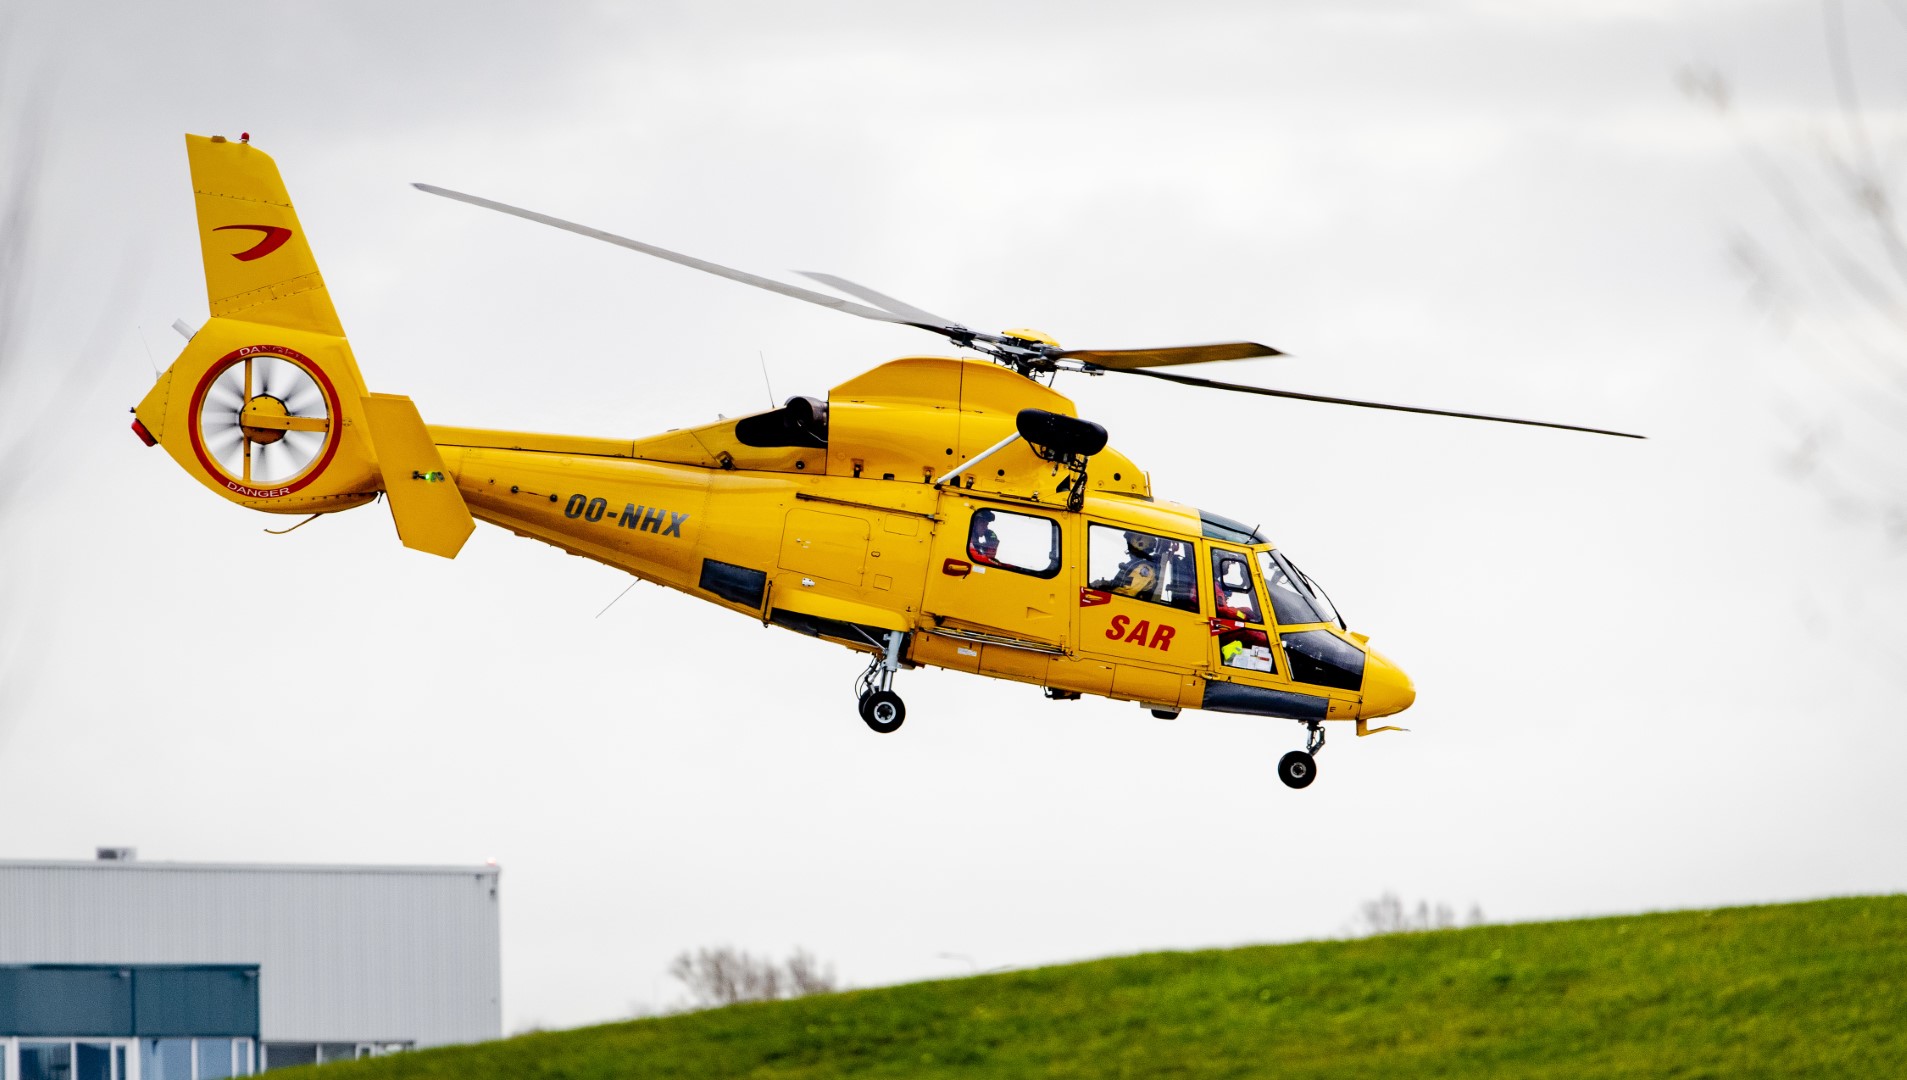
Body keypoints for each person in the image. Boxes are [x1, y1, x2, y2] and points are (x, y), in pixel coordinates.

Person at [1095, 530, 1161, 600]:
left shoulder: (1144, 569)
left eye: (1129, 544)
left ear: (1140, 544)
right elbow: (1122, 583)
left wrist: (1103, 593)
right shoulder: (1137, 564)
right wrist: (1105, 584)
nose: (1128, 547)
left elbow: (1126, 595)